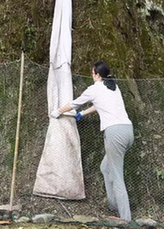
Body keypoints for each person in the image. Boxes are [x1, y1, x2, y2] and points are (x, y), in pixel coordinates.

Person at [51, 61, 134, 222]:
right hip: (128, 131)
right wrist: (83, 113)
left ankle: (126, 220)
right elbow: (99, 105)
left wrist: (58, 111)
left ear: (97, 74)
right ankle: (113, 206)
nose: (91, 75)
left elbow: (75, 102)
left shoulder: (94, 89)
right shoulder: (113, 87)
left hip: (115, 133)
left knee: (117, 176)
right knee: (105, 168)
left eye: (92, 72)